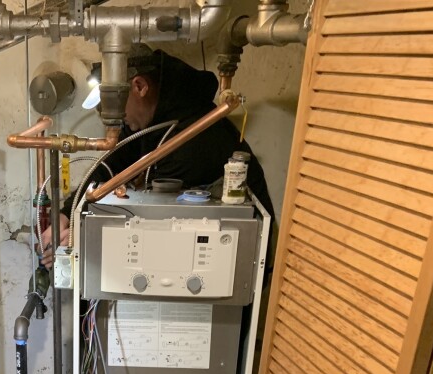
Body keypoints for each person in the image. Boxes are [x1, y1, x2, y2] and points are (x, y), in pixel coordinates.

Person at [40, 43, 274, 267]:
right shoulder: (154, 120)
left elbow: (156, 222)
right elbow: (112, 165)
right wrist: (67, 213)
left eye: (115, 102)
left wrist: (79, 237)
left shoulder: (191, 138)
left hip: (232, 268)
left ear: (139, 86)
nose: (110, 116)